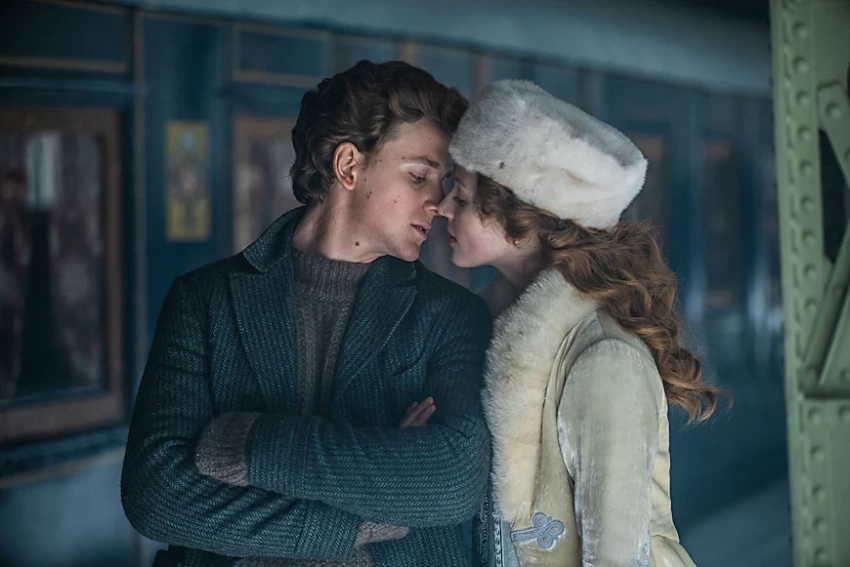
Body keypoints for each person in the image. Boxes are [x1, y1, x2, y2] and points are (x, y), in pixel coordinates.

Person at [121, 60, 492, 567]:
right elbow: (155, 495)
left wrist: (248, 444)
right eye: (419, 176)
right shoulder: (203, 300)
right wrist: (359, 515)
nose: (439, 202)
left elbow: (451, 484)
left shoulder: (452, 316)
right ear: (348, 166)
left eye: (443, 181)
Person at [437, 80, 723, 567]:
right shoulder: (494, 329)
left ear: (520, 220)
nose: (443, 207)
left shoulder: (605, 358)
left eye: (461, 198)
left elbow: (617, 557)